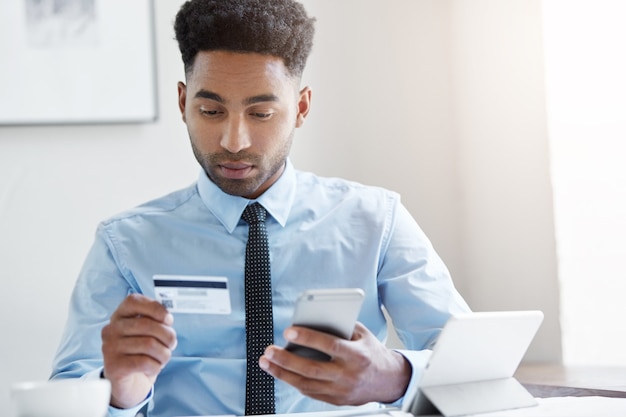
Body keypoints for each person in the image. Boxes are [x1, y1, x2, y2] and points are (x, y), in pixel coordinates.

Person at [50, 0, 470, 416]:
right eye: (211, 111)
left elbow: (473, 369)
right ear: (183, 104)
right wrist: (121, 391)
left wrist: (394, 376)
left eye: (262, 113)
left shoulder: (377, 220)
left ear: (301, 108)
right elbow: (65, 394)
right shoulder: (124, 243)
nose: (235, 141)